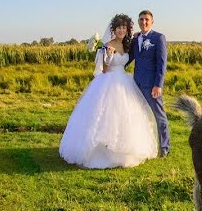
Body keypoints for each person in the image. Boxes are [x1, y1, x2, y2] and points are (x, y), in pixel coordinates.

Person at [59, 14, 158, 168]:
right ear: (114, 29)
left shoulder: (127, 45)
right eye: (119, 27)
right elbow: (104, 69)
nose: (121, 30)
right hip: (109, 81)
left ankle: (124, 149)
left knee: (126, 116)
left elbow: (132, 52)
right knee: (105, 116)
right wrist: (108, 55)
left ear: (127, 29)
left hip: (124, 82)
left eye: (124, 27)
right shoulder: (107, 45)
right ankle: (103, 150)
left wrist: (137, 35)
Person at [128, 10, 170, 157]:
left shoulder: (158, 38)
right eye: (141, 19)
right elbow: (130, 58)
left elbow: (162, 63)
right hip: (136, 84)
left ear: (152, 21)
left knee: (159, 115)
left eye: (146, 19)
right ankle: (145, 145)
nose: (143, 22)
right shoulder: (136, 39)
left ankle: (164, 146)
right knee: (140, 115)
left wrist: (158, 84)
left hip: (151, 85)